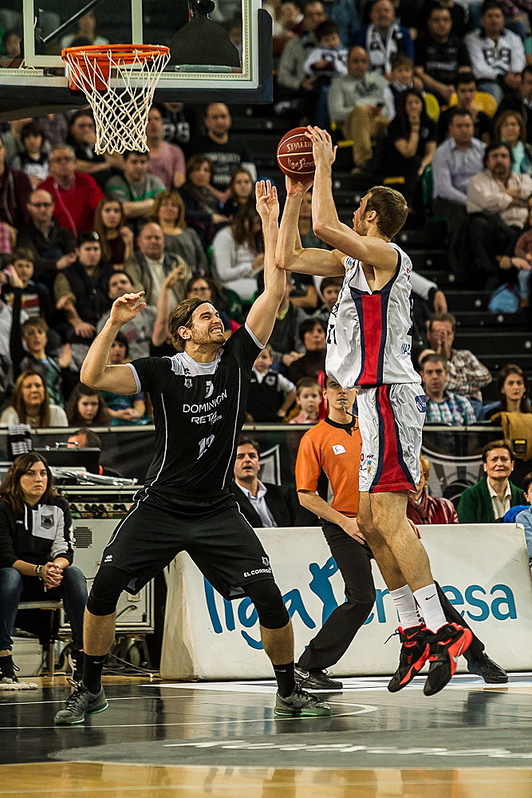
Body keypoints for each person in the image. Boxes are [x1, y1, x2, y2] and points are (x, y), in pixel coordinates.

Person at [54, 180, 331, 726]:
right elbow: (91, 377)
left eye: (216, 314)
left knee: (270, 597)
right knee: (103, 588)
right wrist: (114, 322)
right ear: (183, 332)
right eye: (205, 316)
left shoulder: (236, 358)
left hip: (216, 508)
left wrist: (270, 216)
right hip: (161, 504)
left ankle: (287, 689)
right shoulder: (161, 370)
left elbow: (275, 290)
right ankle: (89, 687)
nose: (216, 319)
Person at [277, 126, 473, 698]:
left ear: (370, 216)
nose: (351, 213)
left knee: (389, 518)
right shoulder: (354, 265)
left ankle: (445, 628)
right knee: (366, 522)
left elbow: (323, 226)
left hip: (388, 394)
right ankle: (412, 632)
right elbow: (290, 255)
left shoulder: (387, 255)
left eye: (358, 207)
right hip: (369, 399)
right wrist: (293, 195)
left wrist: (322, 166)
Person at [295, 378, 507, 690]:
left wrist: (399, 517)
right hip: (345, 525)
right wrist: (345, 522)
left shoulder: (371, 429)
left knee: (427, 589)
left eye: (347, 387)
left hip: (384, 519)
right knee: (361, 597)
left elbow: (390, 479)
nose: (342, 393)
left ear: (356, 392)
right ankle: (308, 667)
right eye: (335, 387)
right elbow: (305, 495)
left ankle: (476, 656)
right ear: (324, 393)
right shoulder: (314, 438)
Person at [0, 453, 88, 688]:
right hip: (12, 577)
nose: (38, 479)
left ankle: (83, 655)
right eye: (30, 473)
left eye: (43, 473)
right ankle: (3, 658)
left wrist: (54, 569)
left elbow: (65, 550)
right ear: (17, 477)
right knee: (9, 576)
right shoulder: (3, 505)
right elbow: (5, 556)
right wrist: (39, 570)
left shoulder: (58, 506)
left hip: (46, 577)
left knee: (74, 575)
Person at [54, 231, 114, 370]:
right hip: (80, 326)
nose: (92, 253)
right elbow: (66, 301)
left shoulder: (108, 270)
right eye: (88, 249)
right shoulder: (66, 274)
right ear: (77, 251)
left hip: (106, 323)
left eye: (96, 249)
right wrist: (78, 323)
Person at [431, 109, 485, 259]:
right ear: (451, 128)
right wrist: (469, 201)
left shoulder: (482, 149)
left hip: (478, 198)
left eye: (467, 125)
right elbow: (444, 188)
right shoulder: (442, 153)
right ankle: (459, 258)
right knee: (460, 211)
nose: (464, 130)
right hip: (447, 201)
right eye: (459, 126)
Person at [327, 46, 390, 171]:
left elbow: (387, 110)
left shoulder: (376, 80)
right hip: (350, 126)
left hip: (375, 121)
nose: (360, 65)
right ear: (347, 63)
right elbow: (335, 113)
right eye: (355, 61)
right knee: (361, 111)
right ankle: (363, 162)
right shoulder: (338, 83)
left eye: (364, 61)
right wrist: (363, 110)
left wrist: (375, 111)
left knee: (398, 122)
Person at [422, 313, 492, 414]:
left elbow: (486, 377)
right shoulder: (425, 360)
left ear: (453, 334)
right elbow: (442, 384)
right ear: (429, 335)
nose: (443, 338)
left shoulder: (465, 356)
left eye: (447, 333)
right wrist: (469, 385)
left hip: (473, 404)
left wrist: (454, 381)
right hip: (441, 404)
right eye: (438, 333)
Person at [188, 103, 256, 200]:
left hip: (235, 198)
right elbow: (191, 177)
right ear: (206, 121)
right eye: (215, 117)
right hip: (204, 198)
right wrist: (218, 194)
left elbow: (250, 176)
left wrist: (232, 191)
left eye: (223, 117)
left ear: (229, 119)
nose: (219, 121)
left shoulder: (240, 146)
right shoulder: (196, 146)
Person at [381, 90, 437, 206]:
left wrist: (422, 166)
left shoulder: (430, 123)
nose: (413, 106)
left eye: (416, 102)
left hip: (420, 165)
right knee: (414, 162)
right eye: (409, 103)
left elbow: (431, 152)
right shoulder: (395, 125)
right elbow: (408, 153)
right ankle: (406, 202)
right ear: (404, 106)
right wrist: (414, 129)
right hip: (398, 165)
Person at [230, 435, 300, 526]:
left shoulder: (282, 493)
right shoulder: (229, 499)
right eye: (240, 457)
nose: (247, 460)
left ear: (259, 463)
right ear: (231, 465)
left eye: (252, 456)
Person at [465, 0, 525, 103]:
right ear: (482, 20)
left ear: (503, 20)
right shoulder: (472, 39)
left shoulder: (514, 38)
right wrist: (501, 77)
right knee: (495, 91)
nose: (494, 20)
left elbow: (518, 61)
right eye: (490, 16)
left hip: (512, 79)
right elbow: (479, 68)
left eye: (498, 16)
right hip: (487, 81)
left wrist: (513, 76)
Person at [39, 145, 103, 237]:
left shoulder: (86, 181)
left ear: (75, 163)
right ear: (50, 166)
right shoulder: (44, 188)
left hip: (88, 237)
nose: (63, 163)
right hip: (58, 239)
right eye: (58, 160)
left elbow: (99, 206)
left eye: (67, 159)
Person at [414, 5, 471, 105]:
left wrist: (454, 88)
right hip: (431, 89)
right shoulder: (420, 43)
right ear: (429, 22)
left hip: (454, 90)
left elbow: (465, 70)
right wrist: (441, 88)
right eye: (436, 20)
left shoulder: (459, 43)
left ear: (451, 22)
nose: (441, 24)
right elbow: (419, 72)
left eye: (445, 20)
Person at [17, 189, 76, 284]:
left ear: (53, 206)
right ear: (29, 207)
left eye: (46, 205)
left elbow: (72, 255)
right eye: (38, 205)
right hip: (38, 280)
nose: (42, 209)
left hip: (63, 277)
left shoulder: (63, 232)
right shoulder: (24, 233)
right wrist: (56, 264)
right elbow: (31, 260)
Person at [124, 222, 191, 307]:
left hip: (180, 312)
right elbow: (137, 298)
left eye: (157, 238)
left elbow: (190, 289)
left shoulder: (176, 261)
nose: (153, 241)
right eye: (148, 238)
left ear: (164, 241)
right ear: (139, 241)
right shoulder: (133, 264)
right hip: (147, 314)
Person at [458, 440, 525, 522]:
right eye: (494, 459)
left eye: (504, 459)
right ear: (485, 466)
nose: (499, 464)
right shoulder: (470, 496)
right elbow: (466, 528)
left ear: (512, 465)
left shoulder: (523, 497)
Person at [97, 271, 157, 361]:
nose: (119, 286)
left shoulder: (152, 313)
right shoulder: (104, 324)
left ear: (133, 287)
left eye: (123, 282)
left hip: (153, 361)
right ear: (109, 294)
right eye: (114, 284)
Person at [104, 150, 166, 232]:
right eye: (134, 162)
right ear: (124, 163)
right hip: (123, 231)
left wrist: (134, 210)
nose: (139, 166)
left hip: (152, 231)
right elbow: (123, 210)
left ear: (148, 163)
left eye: (143, 162)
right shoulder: (114, 183)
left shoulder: (155, 182)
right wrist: (151, 203)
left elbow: (164, 207)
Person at [212, 206, 264, 301]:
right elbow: (224, 274)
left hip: (251, 279)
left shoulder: (250, 237)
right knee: (265, 292)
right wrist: (252, 266)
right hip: (228, 283)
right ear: (244, 220)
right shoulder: (224, 237)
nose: (258, 228)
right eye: (255, 223)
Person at [178, 155, 229, 248]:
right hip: (194, 232)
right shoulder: (182, 192)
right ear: (189, 173)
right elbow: (185, 213)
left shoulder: (210, 195)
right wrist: (210, 217)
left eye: (206, 170)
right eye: (197, 169)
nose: (202, 173)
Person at [151, 190, 207, 273]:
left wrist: (201, 272)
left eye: (174, 205)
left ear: (179, 210)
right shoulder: (152, 234)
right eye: (165, 204)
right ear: (157, 209)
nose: (169, 208)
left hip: (193, 276)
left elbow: (201, 259)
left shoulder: (190, 233)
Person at [65, 110, 123, 191]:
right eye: (81, 126)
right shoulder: (67, 148)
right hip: (83, 189)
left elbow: (122, 164)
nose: (86, 129)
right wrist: (103, 166)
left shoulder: (99, 145)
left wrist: (99, 143)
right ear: (72, 129)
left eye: (90, 126)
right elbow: (74, 165)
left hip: (109, 187)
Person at [354, 0, 415, 76]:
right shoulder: (362, 34)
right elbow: (358, 62)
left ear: (393, 15)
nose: (382, 14)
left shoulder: (403, 33)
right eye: (378, 11)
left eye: (386, 11)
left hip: (399, 78)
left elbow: (409, 61)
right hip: (370, 79)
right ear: (371, 15)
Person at [436, 72, 493, 145]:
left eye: (471, 90)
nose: (467, 95)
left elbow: (486, 145)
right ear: (456, 91)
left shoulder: (483, 119)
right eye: (463, 91)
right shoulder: (445, 116)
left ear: (476, 91)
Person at [421, 353, 477, 425]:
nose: (435, 376)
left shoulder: (462, 402)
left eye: (439, 371)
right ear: (422, 376)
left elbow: (472, 431)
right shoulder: (417, 404)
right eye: (429, 372)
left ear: (446, 374)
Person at [0, 370, 68, 428]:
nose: (34, 390)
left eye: (38, 386)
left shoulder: (57, 413)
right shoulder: (9, 415)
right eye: (28, 386)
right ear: (20, 392)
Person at [246, 345, 296, 422]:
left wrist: (283, 410)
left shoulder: (276, 377)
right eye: (256, 357)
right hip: (250, 420)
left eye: (264, 357)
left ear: (271, 360)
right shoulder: (246, 376)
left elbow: (293, 390)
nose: (260, 360)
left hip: (271, 419)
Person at [407, 455, 458, 524]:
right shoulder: (395, 509)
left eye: (418, 474)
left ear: (425, 478)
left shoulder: (445, 506)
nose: (415, 480)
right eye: (410, 475)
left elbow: (457, 530)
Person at [146, 105, 186, 190]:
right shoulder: (136, 152)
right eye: (148, 120)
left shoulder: (175, 152)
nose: (153, 123)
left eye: (157, 119)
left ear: (162, 123)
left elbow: (179, 183)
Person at [93, 197, 134, 268]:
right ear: (100, 214)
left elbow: (131, 267)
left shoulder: (127, 236)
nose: (112, 215)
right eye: (107, 210)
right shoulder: (93, 238)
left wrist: (129, 244)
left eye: (116, 211)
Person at [10, 120, 49, 189]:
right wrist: (26, 180)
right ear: (23, 140)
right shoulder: (19, 159)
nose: (32, 141)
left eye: (35, 136)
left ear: (42, 138)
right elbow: (14, 182)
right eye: (27, 137)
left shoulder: (49, 157)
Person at [287, 318, 326, 383]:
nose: (316, 335)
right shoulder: (297, 367)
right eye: (311, 332)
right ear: (303, 337)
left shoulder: (334, 361)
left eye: (320, 331)